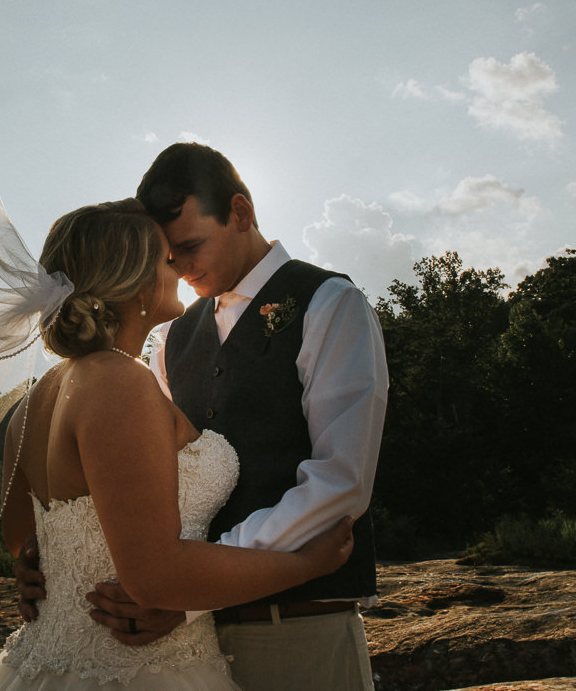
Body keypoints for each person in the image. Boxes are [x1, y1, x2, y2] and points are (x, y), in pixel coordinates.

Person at [20, 144, 388, 691]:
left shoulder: (330, 303)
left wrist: (188, 592)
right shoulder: (168, 338)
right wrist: (45, 556)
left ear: (240, 213)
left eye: (190, 246)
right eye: (168, 255)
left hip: (297, 628)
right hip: (179, 643)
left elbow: (341, 482)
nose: (179, 267)